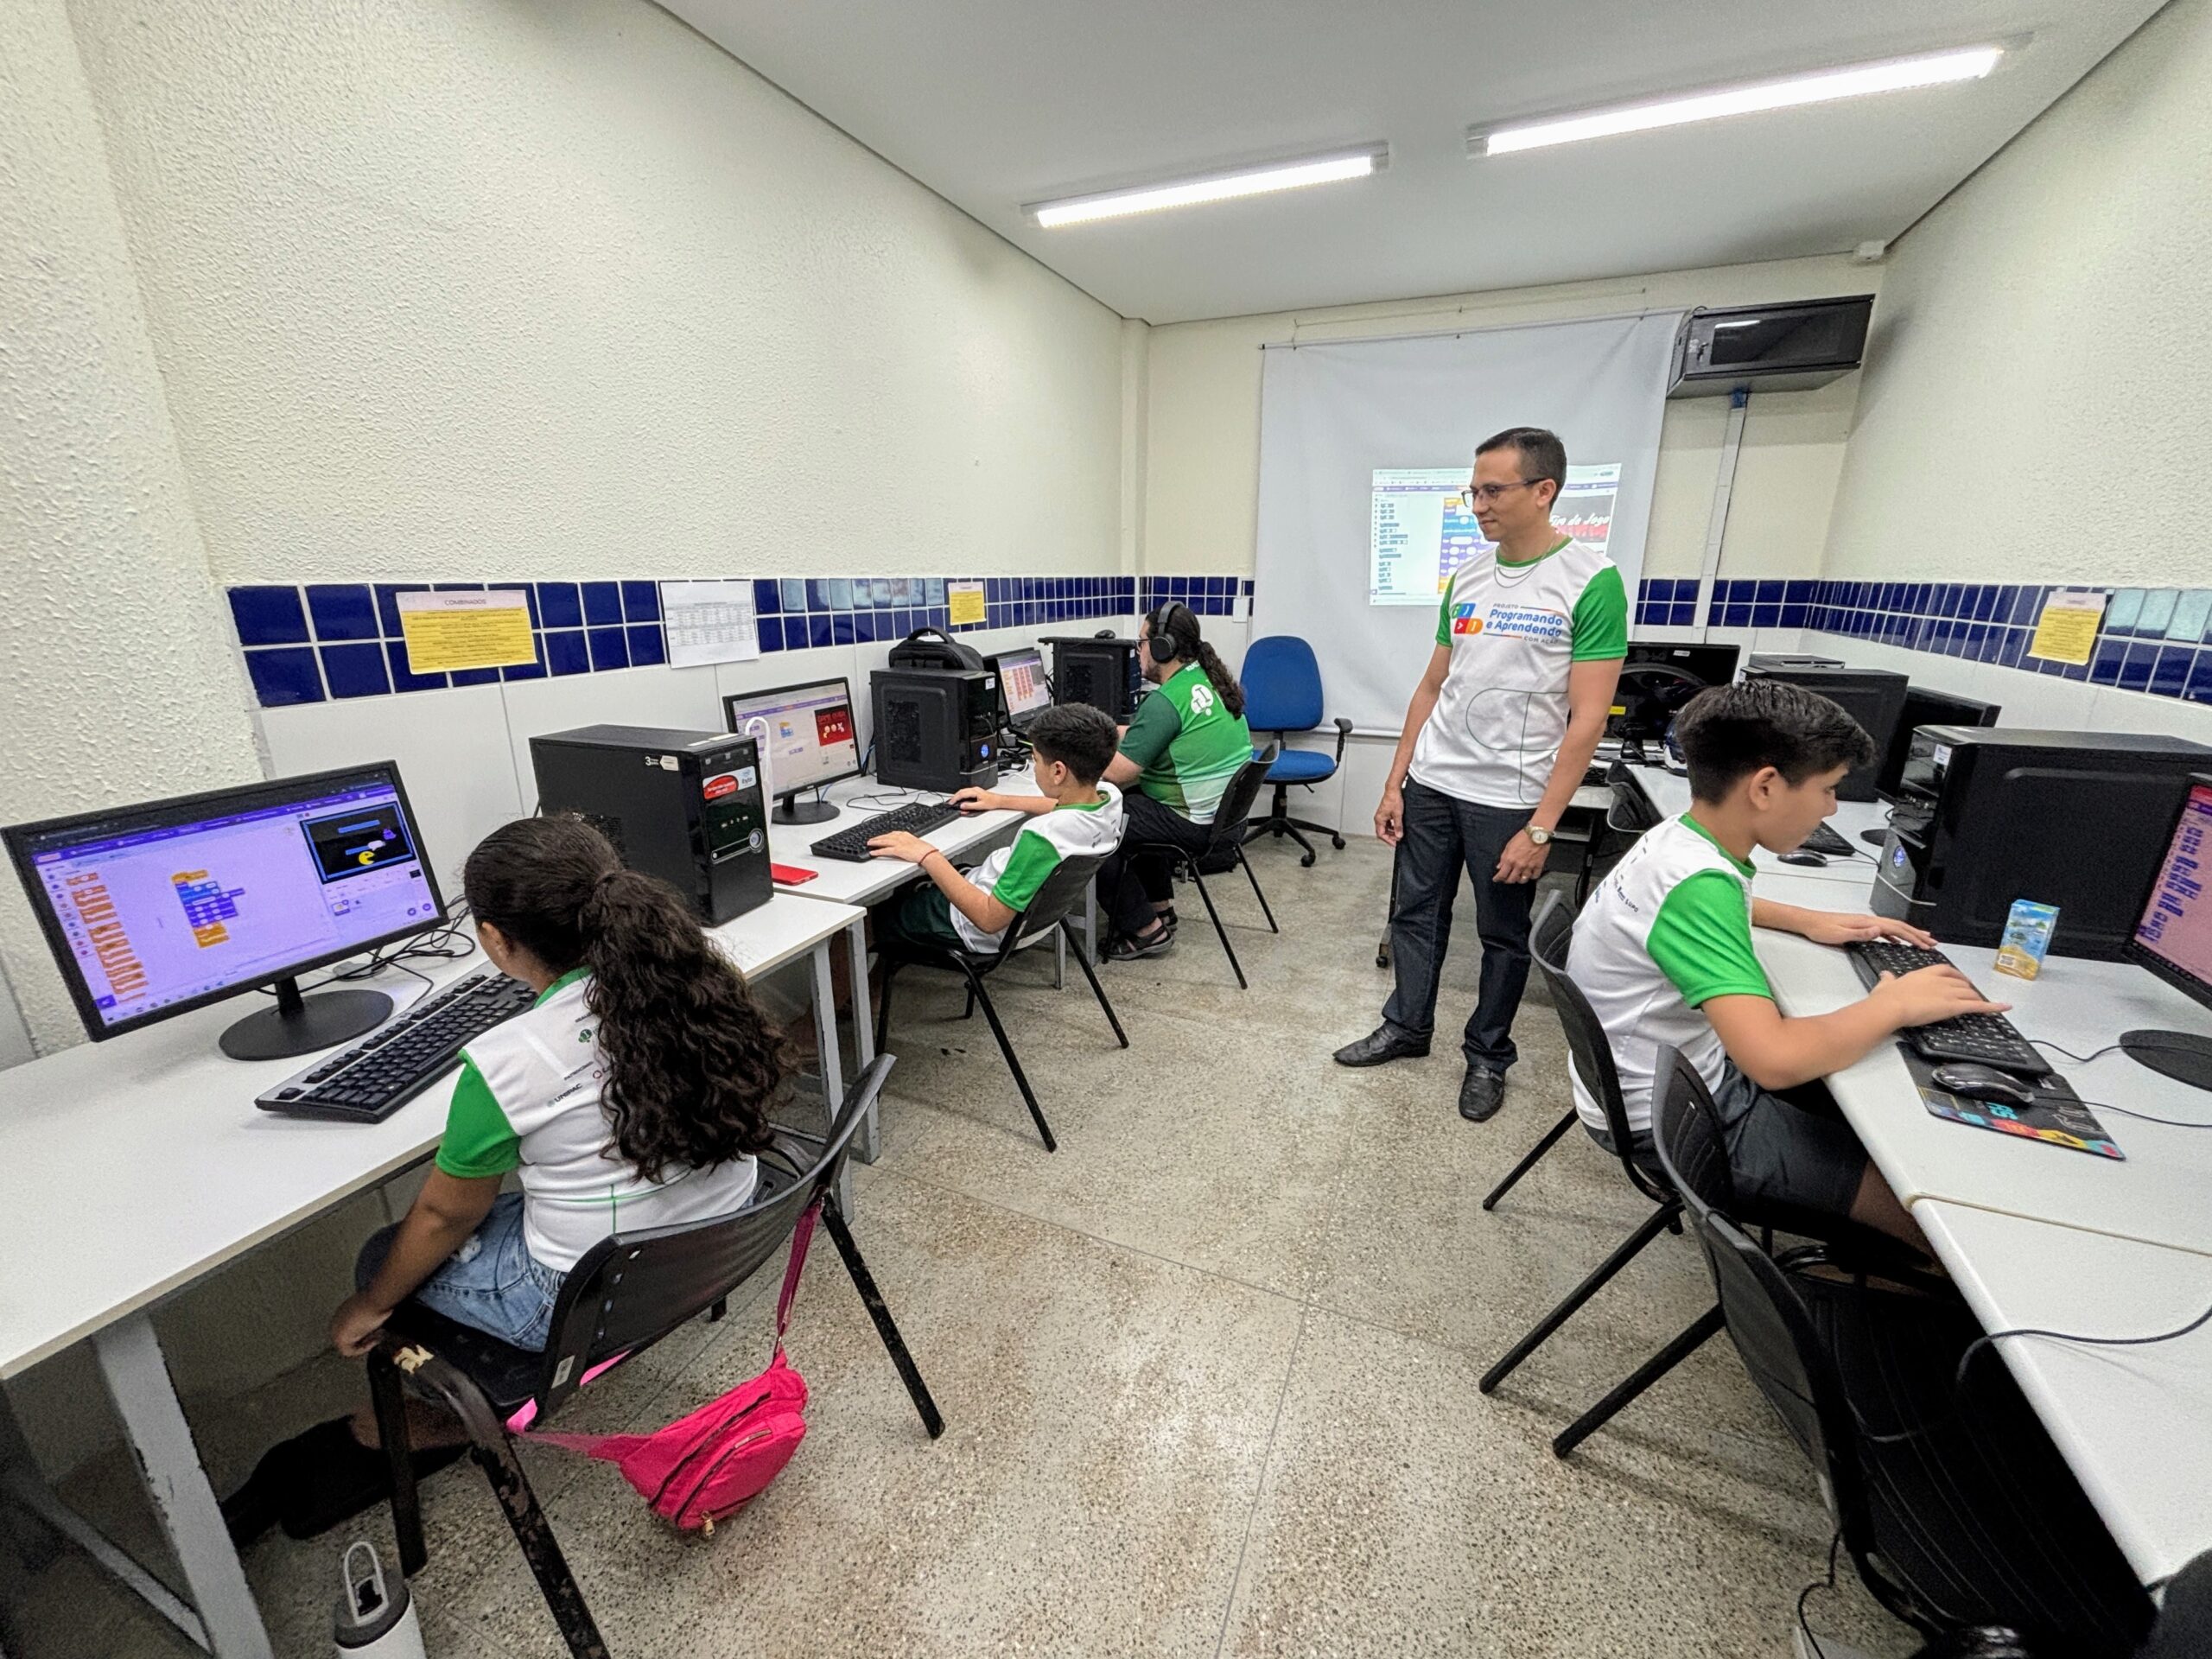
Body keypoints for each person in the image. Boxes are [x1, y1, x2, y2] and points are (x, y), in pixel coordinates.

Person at [226, 816, 790, 1543]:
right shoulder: (692, 980)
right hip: (718, 1234)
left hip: (582, 1297)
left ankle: (449, 1415)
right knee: (521, 1196)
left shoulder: (506, 1062)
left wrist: (368, 1304)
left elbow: (446, 1218)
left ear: (494, 940)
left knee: (384, 1253)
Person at [1565, 678, 2005, 1248]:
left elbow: (1678, 911)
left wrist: (1803, 919)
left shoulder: (1680, 838)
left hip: (1650, 1084)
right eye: (1828, 788)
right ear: (1766, 787)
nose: (1832, 808)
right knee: (1938, 1222)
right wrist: (1893, 1005)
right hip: (1679, 1121)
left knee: (1872, 1113)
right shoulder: (1700, 887)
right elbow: (1772, 1060)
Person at [1336, 426, 1629, 1124]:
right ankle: (1407, 1025)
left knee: (1501, 935)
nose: (1478, 505)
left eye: (1493, 490)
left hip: (1509, 798)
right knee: (1414, 914)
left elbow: (1588, 719)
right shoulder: (1467, 577)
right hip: (1434, 784)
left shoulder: (1592, 581)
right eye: (1473, 491)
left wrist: (1542, 828)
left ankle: (1488, 1055)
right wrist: (1395, 782)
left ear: (1544, 490)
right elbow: (1432, 686)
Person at [956, 602, 1251, 962]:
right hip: (1222, 819)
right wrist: (1097, 730)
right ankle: (1160, 908)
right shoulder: (1203, 681)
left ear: (1163, 648)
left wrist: (1068, 747)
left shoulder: (1166, 702)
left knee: (1101, 829)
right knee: (1133, 806)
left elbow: (1118, 772)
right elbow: (1148, 733)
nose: (1138, 651)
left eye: (1142, 643)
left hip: (1194, 822)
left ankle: (1145, 929)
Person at [868, 702, 1123, 946]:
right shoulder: (1109, 798)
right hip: (1034, 921)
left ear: (1058, 771)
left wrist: (927, 855)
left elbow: (989, 920)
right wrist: (999, 800)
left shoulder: (1042, 838)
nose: (1034, 767)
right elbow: (1062, 808)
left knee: (871, 916)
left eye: (1035, 759)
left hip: (974, 925)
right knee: (918, 884)